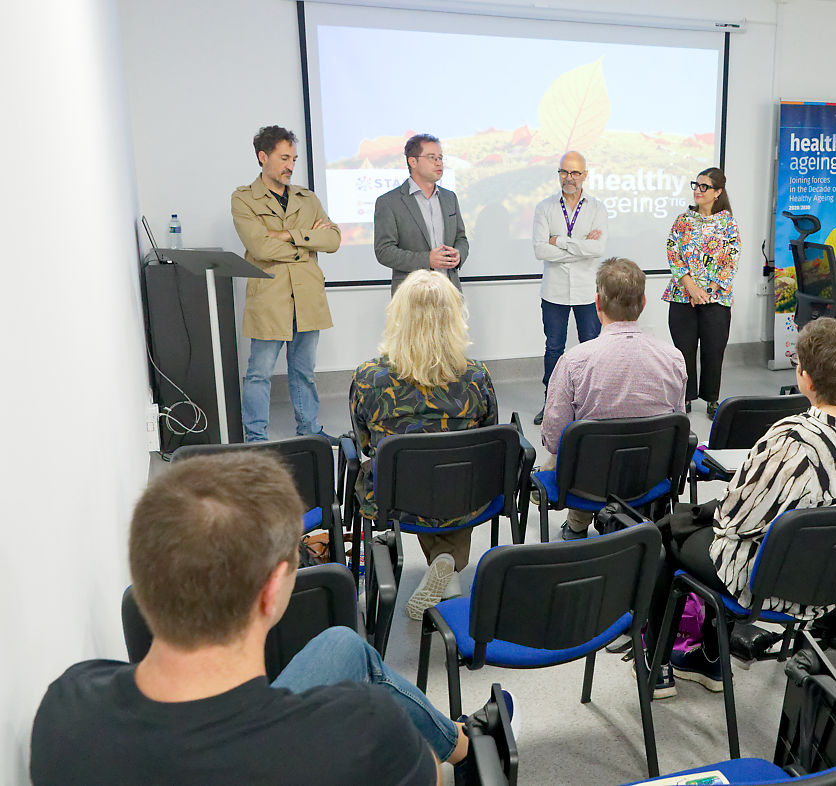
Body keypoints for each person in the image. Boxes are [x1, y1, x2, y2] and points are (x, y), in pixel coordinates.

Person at [31, 451, 508, 784]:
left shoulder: (66, 708)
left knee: (341, 646)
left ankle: (463, 738)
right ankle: (468, 745)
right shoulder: (370, 731)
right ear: (272, 590)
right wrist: (415, 757)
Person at [645, 317, 836, 697]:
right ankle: (711, 657)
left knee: (667, 535)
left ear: (807, 378)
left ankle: (665, 665)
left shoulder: (793, 438)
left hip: (776, 585)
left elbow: (734, 519)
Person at [351, 270, 497, 620]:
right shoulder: (476, 376)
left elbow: (365, 441)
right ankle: (449, 564)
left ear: (398, 317)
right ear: (454, 318)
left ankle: (444, 567)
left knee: (419, 471)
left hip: (397, 498)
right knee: (453, 468)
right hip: (466, 495)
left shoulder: (370, 377)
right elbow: (487, 437)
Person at [540, 257, 687, 540]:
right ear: (643, 303)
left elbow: (554, 439)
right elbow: (676, 426)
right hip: (650, 478)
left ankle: (576, 527)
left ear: (597, 303)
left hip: (585, 483)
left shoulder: (573, 361)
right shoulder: (673, 359)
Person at [231, 125, 341, 443]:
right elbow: (261, 246)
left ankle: (309, 430)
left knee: (303, 371)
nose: (290, 164)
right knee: (259, 373)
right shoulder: (244, 199)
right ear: (263, 157)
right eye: (283, 157)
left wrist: (289, 235)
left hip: (307, 297)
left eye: (293, 158)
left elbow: (333, 239)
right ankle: (255, 438)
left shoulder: (307, 199)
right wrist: (308, 242)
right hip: (270, 298)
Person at [531, 151, 608, 425]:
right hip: (554, 291)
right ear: (559, 174)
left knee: (591, 345)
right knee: (554, 347)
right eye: (564, 172)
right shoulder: (545, 207)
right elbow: (540, 250)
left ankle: (591, 403)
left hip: (587, 290)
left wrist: (559, 241)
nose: (569, 178)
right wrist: (579, 246)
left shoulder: (597, 208)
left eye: (575, 173)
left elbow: (597, 249)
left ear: (585, 175)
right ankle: (550, 402)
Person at [662, 167, 741, 420]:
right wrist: (692, 288)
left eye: (704, 186)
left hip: (715, 298)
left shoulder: (727, 222)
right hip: (682, 295)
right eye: (696, 185)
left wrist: (708, 291)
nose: (698, 190)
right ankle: (684, 397)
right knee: (683, 350)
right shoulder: (683, 220)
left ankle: (712, 399)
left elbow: (731, 258)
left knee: (713, 350)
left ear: (717, 192)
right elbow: (673, 253)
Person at [375, 133, 469, 293]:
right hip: (412, 296)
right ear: (413, 161)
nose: (439, 163)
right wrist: (427, 260)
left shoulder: (449, 198)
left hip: (450, 292)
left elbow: (461, 238)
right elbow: (384, 251)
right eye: (432, 157)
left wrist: (459, 254)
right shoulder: (389, 202)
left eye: (440, 158)